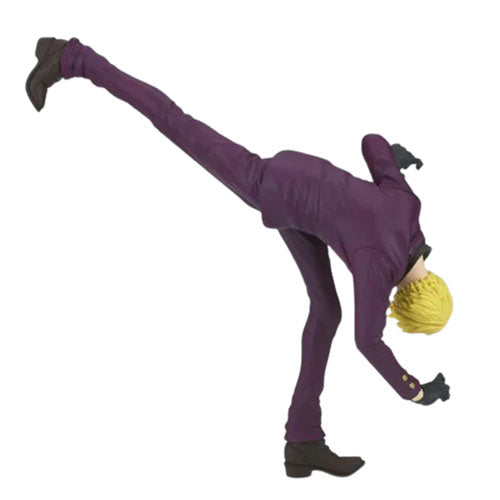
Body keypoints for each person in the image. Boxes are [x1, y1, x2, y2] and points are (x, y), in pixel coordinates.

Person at [26, 37, 453, 478]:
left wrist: (396, 160)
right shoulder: (377, 269)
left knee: (327, 311)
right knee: (174, 121)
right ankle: (73, 58)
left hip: (302, 196)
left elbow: (372, 142)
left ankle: (303, 440)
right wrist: (414, 391)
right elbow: (368, 341)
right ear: (407, 308)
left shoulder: (409, 207)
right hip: (274, 187)